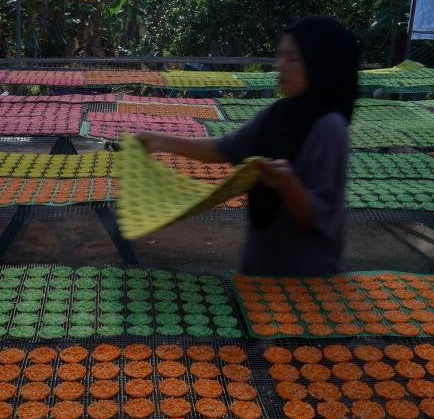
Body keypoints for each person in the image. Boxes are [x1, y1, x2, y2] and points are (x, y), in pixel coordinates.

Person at [137, 16, 359, 276]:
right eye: (280, 56)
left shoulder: (329, 128)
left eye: (292, 58)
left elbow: (315, 216)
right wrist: (160, 141)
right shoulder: (277, 114)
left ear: (320, 63)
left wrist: (288, 184)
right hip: (262, 264)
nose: (279, 65)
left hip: (306, 276)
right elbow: (225, 148)